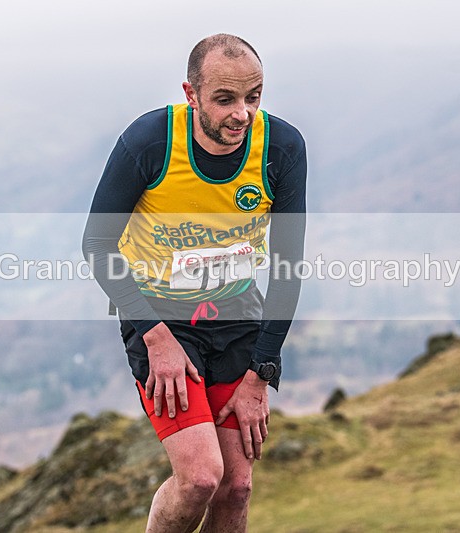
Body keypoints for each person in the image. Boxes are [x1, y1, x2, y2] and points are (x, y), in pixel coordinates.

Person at [82, 33, 306, 532]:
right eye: (225, 99)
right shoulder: (149, 141)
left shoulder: (282, 148)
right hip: (159, 315)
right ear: (191, 94)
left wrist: (260, 373)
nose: (242, 114)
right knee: (202, 477)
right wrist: (154, 336)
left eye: (253, 97)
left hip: (237, 314)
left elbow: (289, 267)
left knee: (236, 488)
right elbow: (97, 245)